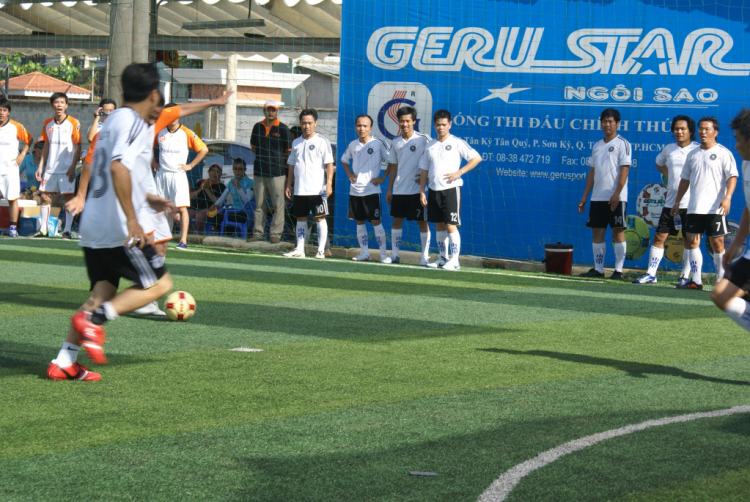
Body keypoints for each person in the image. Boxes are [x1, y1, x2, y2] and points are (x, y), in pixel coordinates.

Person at [47, 63, 175, 381]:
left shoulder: (111, 121)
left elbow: (105, 166)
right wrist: (134, 219)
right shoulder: (132, 121)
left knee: (101, 291)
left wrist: (147, 198)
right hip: (118, 226)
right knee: (160, 284)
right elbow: (118, 169)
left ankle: (64, 360)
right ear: (154, 93)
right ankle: (96, 321)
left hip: (93, 223)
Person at [671, 117, 738, 289]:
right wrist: (677, 201)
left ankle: (721, 282)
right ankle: (696, 281)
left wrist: (728, 197)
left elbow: (732, 176)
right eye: (701, 129)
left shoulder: (724, 153)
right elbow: (684, 180)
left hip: (716, 208)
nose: (703, 132)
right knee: (692, 243)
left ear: (715, 132)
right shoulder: (693, 154)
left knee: (717, 244)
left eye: (707, 129)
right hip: (694, 208)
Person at [633, 116, 699, 284]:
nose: (679, 132)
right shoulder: (669, 149)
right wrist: (669, 177)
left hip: (692, 205)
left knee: (689, 241)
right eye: (676, 129)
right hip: (670, 203)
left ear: (691, 131)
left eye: (683, 129)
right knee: (659, 237)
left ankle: (684, 276)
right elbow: (658, 162)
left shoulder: (698, 150)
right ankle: (651, 274)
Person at [418, 109, 481, 271]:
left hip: (451, 190)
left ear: (450, 125)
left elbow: (477, 158)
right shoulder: (430, 145)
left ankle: (455, 260)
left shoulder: (457, 142)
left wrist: (459, 172)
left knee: (450, 225)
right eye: (438, 125)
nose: (441, 127)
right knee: (438, 225)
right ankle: (442, 258)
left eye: (444, 125)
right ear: (434, 125)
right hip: (433, 190)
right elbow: (424, 169)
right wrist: (422, 191)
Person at [578, 108, 631, 279]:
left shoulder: (623, 143)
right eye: (604, 121)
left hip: (616, 197)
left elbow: (625, 170)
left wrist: (616, 194)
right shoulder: (597, 145)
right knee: (597, 232)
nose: (607, 125)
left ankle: (618, 271)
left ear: (617, 123)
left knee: (618, 232)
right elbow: (592, 172)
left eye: (610, 121)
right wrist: (585, 196)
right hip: (597, 197)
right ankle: (599, 269)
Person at [712, 109, 750, 330]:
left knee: (721, 294)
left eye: (738, 140)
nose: (735, 146)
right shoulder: (746, 163)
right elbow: (749, 206)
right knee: (720, 295)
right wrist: (736, 244)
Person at [154, 103, 208, 250]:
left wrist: (190, 166)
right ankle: (161, 237)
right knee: (160, 208)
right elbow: (145, 146)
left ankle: (183, 241)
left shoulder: (186, 132)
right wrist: (153, 161)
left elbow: (204, 149)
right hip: (161, 175)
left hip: (178, 175)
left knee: (182, 209)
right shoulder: (159, 131)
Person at [283, 108, 334, 259]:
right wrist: (288, 184)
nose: (307, 126)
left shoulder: (322, 141)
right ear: (300, 124)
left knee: (320, 218)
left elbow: (329, 164)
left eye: (310, 123)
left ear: (315, 123)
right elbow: (292, 165)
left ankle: (321, 250)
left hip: (318, 189)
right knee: (301, 218)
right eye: (304, 123)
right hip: (300, 189)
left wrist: (329, 184)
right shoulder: (296, 142)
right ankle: (300, 249)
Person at [385, 106, 432, 265]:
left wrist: (428, 178)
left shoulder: (424, 139)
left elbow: (434, 159)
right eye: (401, 121)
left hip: (417, 192)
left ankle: (424, 257)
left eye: (407, 121)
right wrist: (389, 189)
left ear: (413, 121)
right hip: (399, 191)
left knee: (422, 223)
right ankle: (395, 255)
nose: (404, 124)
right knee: (396, 221)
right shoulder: (395, 142)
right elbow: (393, 167)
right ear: (398, 122)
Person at [340, 114, 390, 262]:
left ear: (371, 128)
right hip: (355, 191)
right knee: (359, 221)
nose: (362, 128)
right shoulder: (353, 144)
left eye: (365, 126)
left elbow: (392, 161)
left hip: (372, 190)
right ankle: (364, 253)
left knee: (376, 222)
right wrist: (349, 173)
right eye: (359, 126)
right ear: (356, 127)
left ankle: (383, 255)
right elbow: (344, 160)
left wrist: (382, 178)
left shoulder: (379, 143)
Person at [33, 92, 82, 239]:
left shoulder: (74, 122)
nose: (59, 105)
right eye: (56, 102)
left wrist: (73, 165)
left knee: (68, 198)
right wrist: (41, 165)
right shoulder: (48, 123)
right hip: (50, 169)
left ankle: (66, 231)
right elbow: (46, 144)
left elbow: (78, 145)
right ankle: (43, 230)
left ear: (66, 105)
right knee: (45, 197)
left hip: (66, 168)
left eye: (62, 102)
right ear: (51, 105)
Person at [248, 99, 291, 243]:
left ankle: (275, 234)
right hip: (259, 171)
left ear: (277, 111)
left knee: (278, 205)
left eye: (273, 109)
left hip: (277, 173)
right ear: (264, 111)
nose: (270, 112)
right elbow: (253, 147)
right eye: (268, 109)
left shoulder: (284, 129)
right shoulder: (257, 127)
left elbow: (288, 152)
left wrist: (275, 162)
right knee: (259, 205)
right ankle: (258, 233)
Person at [0, 98, 33, 237]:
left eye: (4, 110)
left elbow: (29, 140)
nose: (1, 113)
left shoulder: (16, 126)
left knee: (12, 199)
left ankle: (13, 228)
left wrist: (22, 155)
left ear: (8, 112)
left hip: (10, 168)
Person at [208, 158, 254, 235]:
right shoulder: (232, 181)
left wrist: (239, 187)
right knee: (215, 218)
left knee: (225, 216)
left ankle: (230, 234)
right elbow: (223, 196)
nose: (237, 171)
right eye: (235, 169)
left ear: (245, 170)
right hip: (233, 210)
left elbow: (248, 202)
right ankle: (228, 234)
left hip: (244, 212)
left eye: (240, 169)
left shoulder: (249, 182)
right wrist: (215, 205)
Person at [188, 163, 225, 234]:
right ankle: (190, 232)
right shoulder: (201, 182)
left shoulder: (221, 186)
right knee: (178, 215)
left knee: (200, 217)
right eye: (213, 170)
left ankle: (199, 236)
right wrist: (201, 189)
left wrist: (206, 190)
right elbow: (190, 196)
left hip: (208, 209)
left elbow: (217, 201)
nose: (215, 173)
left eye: (218, 171)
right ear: (209, 172)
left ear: (221, 174)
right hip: (194, 208)